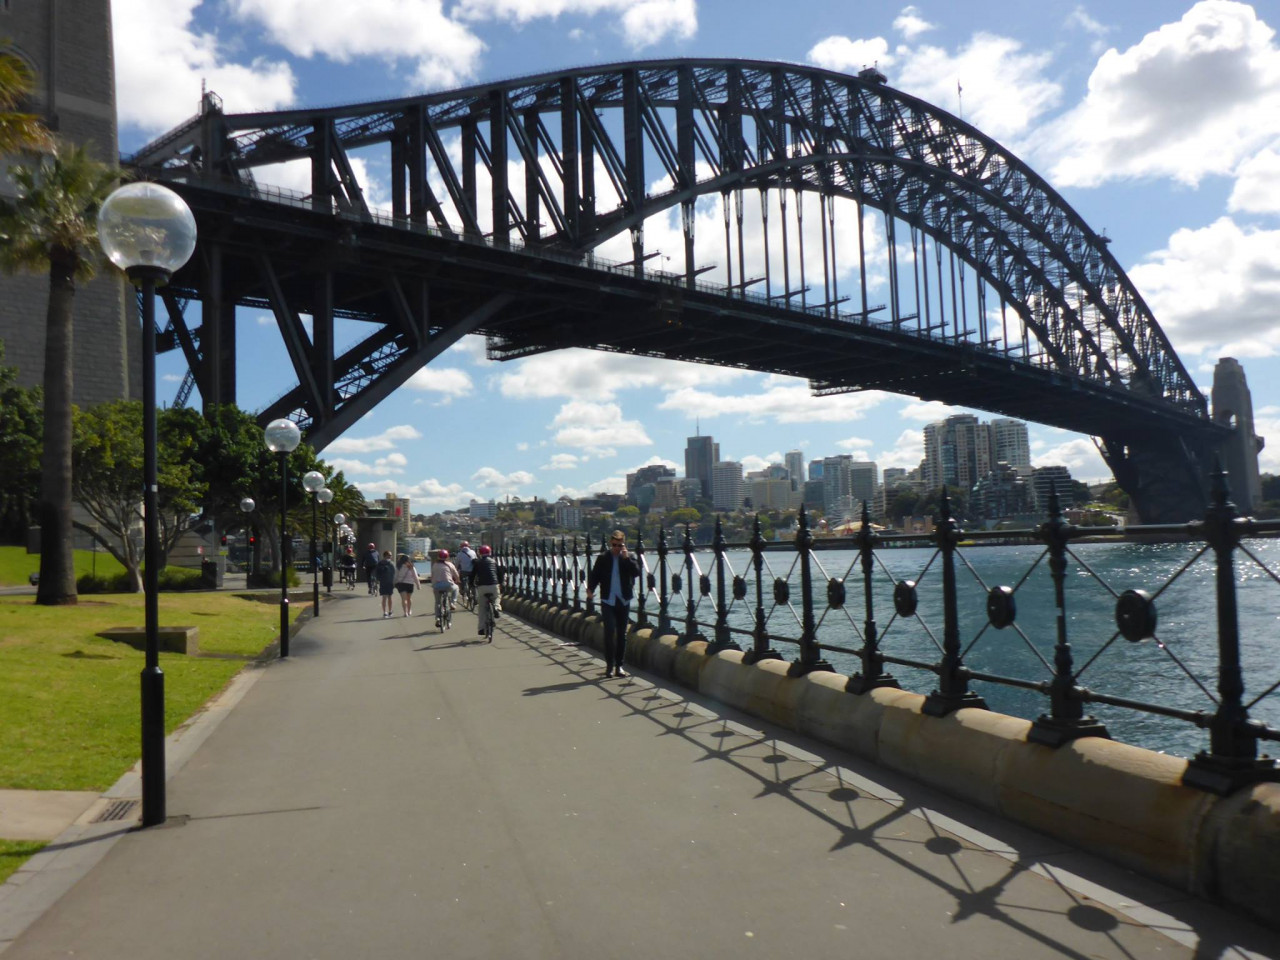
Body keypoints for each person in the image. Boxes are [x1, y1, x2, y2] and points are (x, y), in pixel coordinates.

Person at [586, 529, 641, 678]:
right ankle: (609, 666)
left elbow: (636, 573)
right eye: (615, 545)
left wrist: (626, 559)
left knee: (622, 634)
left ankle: (619, 666)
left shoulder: (630, 556)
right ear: (611, 543)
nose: (617, 547)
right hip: (608, 600)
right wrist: (590, 589)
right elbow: (595, 575)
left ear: (624, 544)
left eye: (620, 545)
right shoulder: (604, 557)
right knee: (609, 632)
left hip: (623, 599)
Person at [473, 544, 503, 638]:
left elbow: (472, 575)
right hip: (494, 585)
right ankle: (497, 607)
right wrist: (500, 583)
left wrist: (472, 584)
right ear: (490, 552)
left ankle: (481, 628)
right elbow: (500, 573)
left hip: (482, 586)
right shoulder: (494, 562)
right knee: (497, 596)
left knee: (481, 607)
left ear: (480, 553)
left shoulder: (478, 563)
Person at [429, 549, 461, 628]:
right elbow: (456, 574)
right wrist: (458, 580)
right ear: (447, 557)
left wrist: (433, 584)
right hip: (448, 585)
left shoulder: (435, 565)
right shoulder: (450, 564)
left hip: (437, 586)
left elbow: (432, 576)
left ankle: (438, 619)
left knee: (437, 603)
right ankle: (453, 603)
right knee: (456, 588)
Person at [374, 550, 396, 618]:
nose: (391, 556)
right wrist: (395, 582)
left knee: (384, 598)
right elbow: (394, 573)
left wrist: (377, 581)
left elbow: (376, 573)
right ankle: (390, 611)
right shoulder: (391, 563)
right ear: (386, 555)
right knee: (389, 597)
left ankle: (385, 612)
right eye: (389, 555)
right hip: (390, 582)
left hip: (383, 582)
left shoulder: (379, 563)